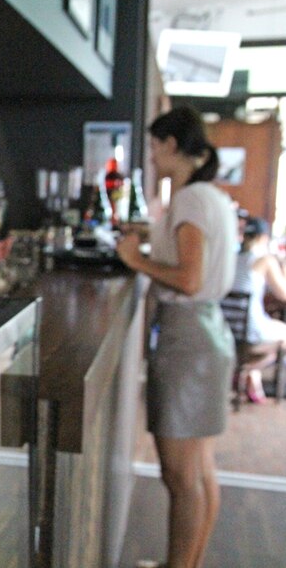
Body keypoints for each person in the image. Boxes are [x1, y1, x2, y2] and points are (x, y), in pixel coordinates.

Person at [116, 106, 238, 568]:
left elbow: (188, 278)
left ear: (171, 145)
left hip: (188, 340)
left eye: (153, 145)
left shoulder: (188, 199)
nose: (151, 155)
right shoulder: (209, 196)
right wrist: (150, 242)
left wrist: (135, 258)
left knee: (180, 474)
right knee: (200, 471)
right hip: (207, 333)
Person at [231, 216, 286, 402]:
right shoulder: (264, 260)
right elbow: (283, 294)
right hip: (249, 331)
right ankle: (249, 371)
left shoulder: (231, 258)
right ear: (263, 238)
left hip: (225, 328)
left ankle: (249, 377)